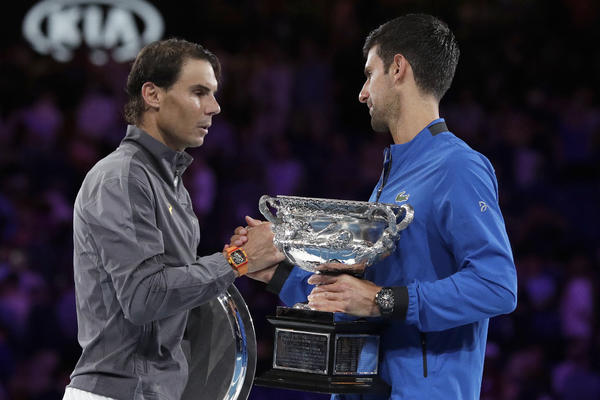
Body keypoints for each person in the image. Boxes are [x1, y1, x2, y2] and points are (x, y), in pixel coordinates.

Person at [231, 14, 517, 400]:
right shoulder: (390, 182)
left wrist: (383, 300)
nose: (362, 93)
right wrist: (271, 269)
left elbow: (497, 285)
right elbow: (354, 298)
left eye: (369, 74)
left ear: (398, 68)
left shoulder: (457, 166)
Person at [63, 39, 284, 400]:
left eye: (213, 94)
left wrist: (238, 254)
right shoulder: (123, 177)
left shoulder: (171, 186)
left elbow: (172, 292)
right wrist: (237, 261)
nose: (214, 107)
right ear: (152, 94)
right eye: (199, 92)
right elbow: (143, 297)